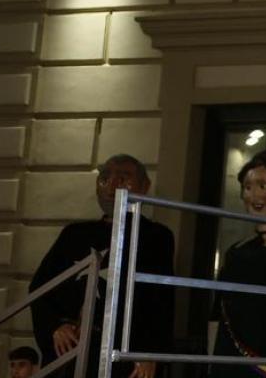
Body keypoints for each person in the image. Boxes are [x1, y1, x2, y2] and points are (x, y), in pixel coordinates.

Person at [30, 154, 175, 378]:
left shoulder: (155, 237)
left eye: (123, 177)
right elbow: (41, 288)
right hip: (74, 353)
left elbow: (161, 301)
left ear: (144, 186)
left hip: (123, 354)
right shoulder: (74, 235)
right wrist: (54, 327)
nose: (112, 185)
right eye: (105, 178)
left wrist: (150, 352)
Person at [212, 151, 266, 378]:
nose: (253, 195)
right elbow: (219, 316)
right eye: (248, 187)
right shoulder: (237, 252)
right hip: (232, 368)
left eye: (263, 186)